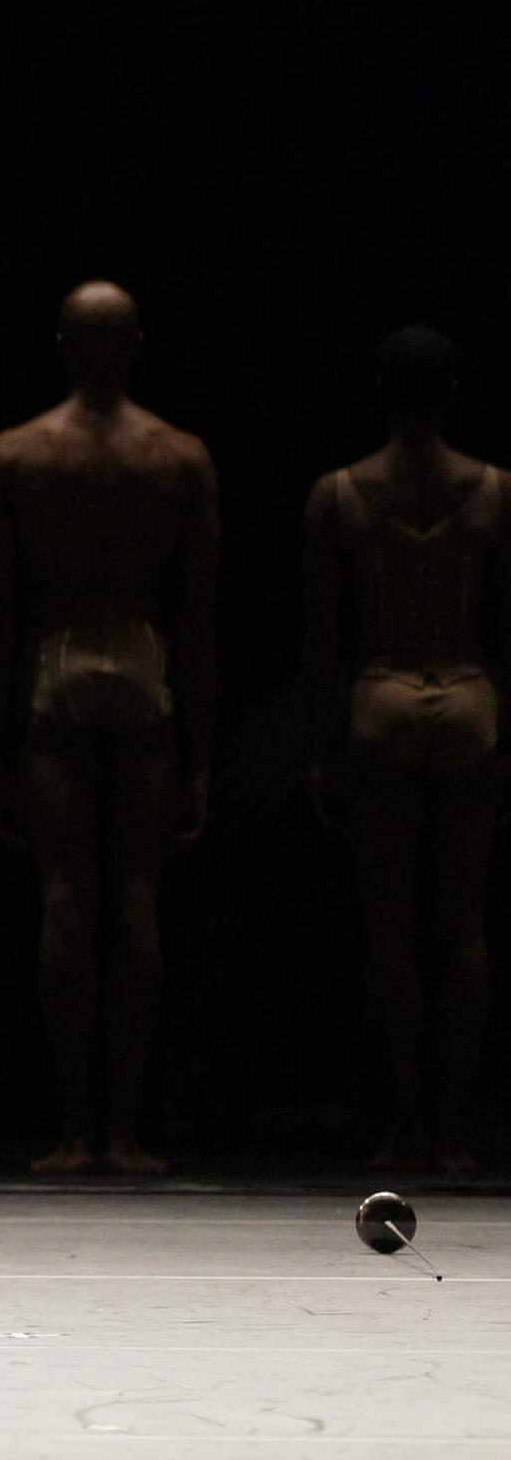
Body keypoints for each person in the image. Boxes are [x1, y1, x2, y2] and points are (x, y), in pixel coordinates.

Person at [0, 280, 217, 1176]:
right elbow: (195, 619)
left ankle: (78, 1131)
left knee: (68, 899)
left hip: (59, 660)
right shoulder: (179, 457)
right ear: (137, 343)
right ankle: (128, 1132)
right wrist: (198, 759)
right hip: (143, 658)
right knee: (138, 897)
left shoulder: (19, 454)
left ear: (67, 344)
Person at [303, 326, 498, 1173]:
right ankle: (449, 1131)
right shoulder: (491, 491)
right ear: (452, 389)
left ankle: (400, 1123)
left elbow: (321, 640)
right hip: (468, 700)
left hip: (381, 699)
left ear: (382, 390)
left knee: (389, 929)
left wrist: (320, 748)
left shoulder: (341, 494)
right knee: (459, 926)